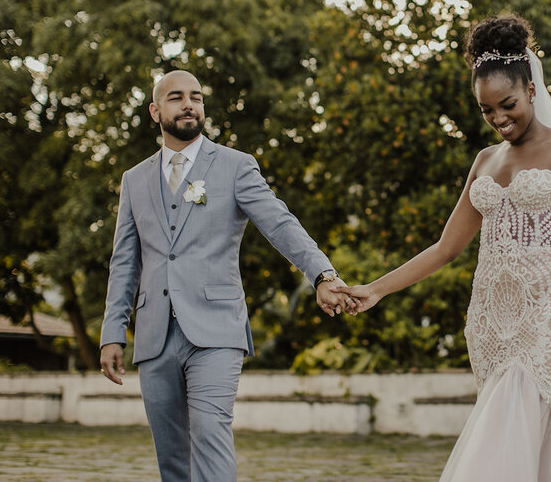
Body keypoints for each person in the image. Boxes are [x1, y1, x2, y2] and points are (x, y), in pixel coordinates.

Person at [333, 15, 551, 481]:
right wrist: (376, 289)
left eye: (506, 104)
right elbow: (446, 248)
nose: (498, 119)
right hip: (493, 319)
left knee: (506, 429)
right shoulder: (484, 160)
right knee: (535, 443)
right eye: (487, 111)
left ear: (532, 89)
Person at [99, 69, 360, 482]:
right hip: (153, 335)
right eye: (176, 97)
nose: (189, 104)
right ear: (155, 111)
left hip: (216, 329)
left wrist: (323, 274)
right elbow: (125, 262)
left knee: (209, 433)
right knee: (171, 458)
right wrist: (113, 331)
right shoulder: (134, 180)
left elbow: (280, 224)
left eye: (197, 97)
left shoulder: (235, 166)